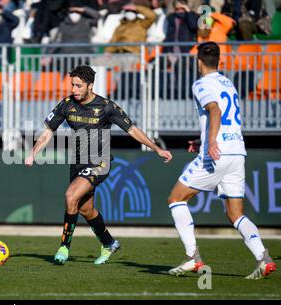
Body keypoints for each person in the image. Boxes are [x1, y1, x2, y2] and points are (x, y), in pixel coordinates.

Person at [25, 65, 172, 265]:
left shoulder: (106, 107)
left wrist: (156, 148)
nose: (74, 89)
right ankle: (109, 243)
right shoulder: (66, 104)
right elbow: (48, 130)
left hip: (99, 162)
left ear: (90, 86)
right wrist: (33, 152)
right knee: (85, 210)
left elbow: (132, 130)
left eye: (78, 86)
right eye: (72, 85)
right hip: (77, 163)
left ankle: (63, 247)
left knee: (70, 195)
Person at [167, 42, 277, 280]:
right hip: (237, 152)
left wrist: (211, 142)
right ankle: (263, 258)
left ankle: (192, 257)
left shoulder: (201, 83)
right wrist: (204, 139)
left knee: (176, 198)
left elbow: (215, 110)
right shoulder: (229, 83)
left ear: (198, 62)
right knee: (236, 213)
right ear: (218, 61)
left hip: (217, 153)